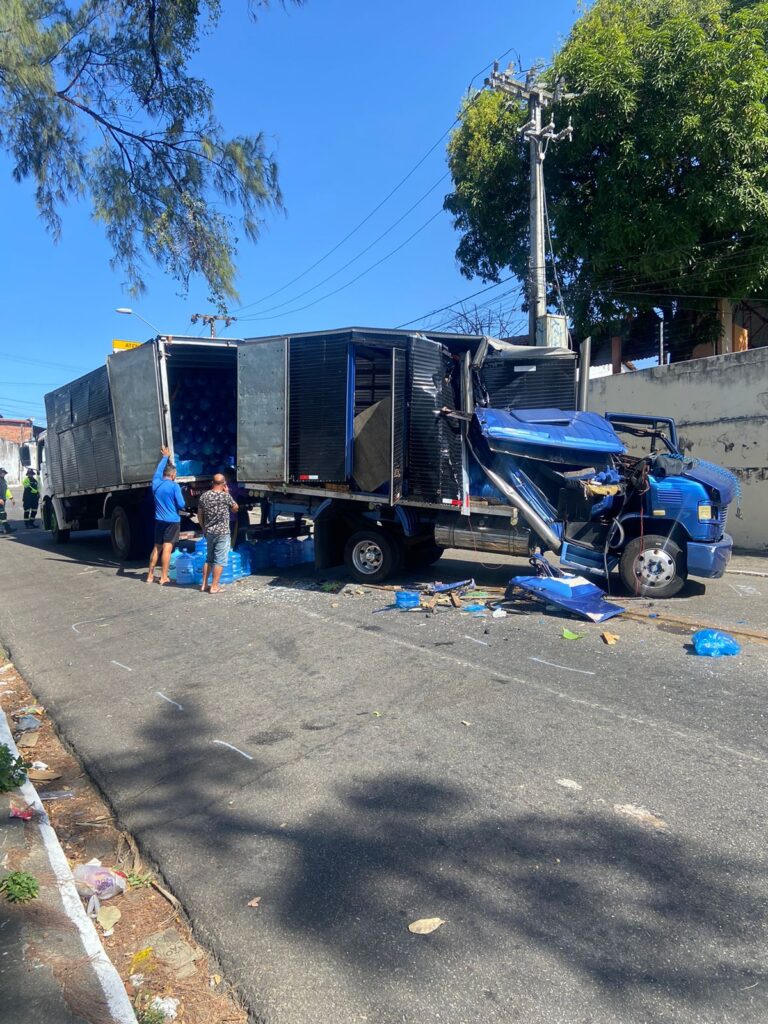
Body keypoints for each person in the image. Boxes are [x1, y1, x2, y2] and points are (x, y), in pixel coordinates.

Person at [146, 446, 186, 585]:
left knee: (157, 547)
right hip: (172, 521)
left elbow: (158, 470)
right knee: (167, 548)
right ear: (173, 475)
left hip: (159, 520)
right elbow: (181, 504)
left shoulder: (155, 482)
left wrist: (165, 457)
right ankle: (163, 576)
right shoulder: (175, 487)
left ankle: (150, 575)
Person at [198, 474, 238, 594]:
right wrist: (228, 493)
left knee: (209, 558)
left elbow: (200, 514)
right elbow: (235, 508)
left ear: (212, 482)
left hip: (209, 531)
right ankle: (214, 586)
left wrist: (203, 527)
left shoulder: (204, 496)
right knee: (220, 560)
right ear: (224, 483)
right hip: (223, 532)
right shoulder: (225, 496)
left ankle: (204, 585)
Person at [0, 468, 14, 535]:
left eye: (4, 473)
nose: (4, 474)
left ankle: (6, 528)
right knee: (2, 514)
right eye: (2, 472)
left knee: (2, 514)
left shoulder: (3, 480)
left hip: (3, 500)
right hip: (0, 500)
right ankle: (6, 528)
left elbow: (6, 490)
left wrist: (11, 498)